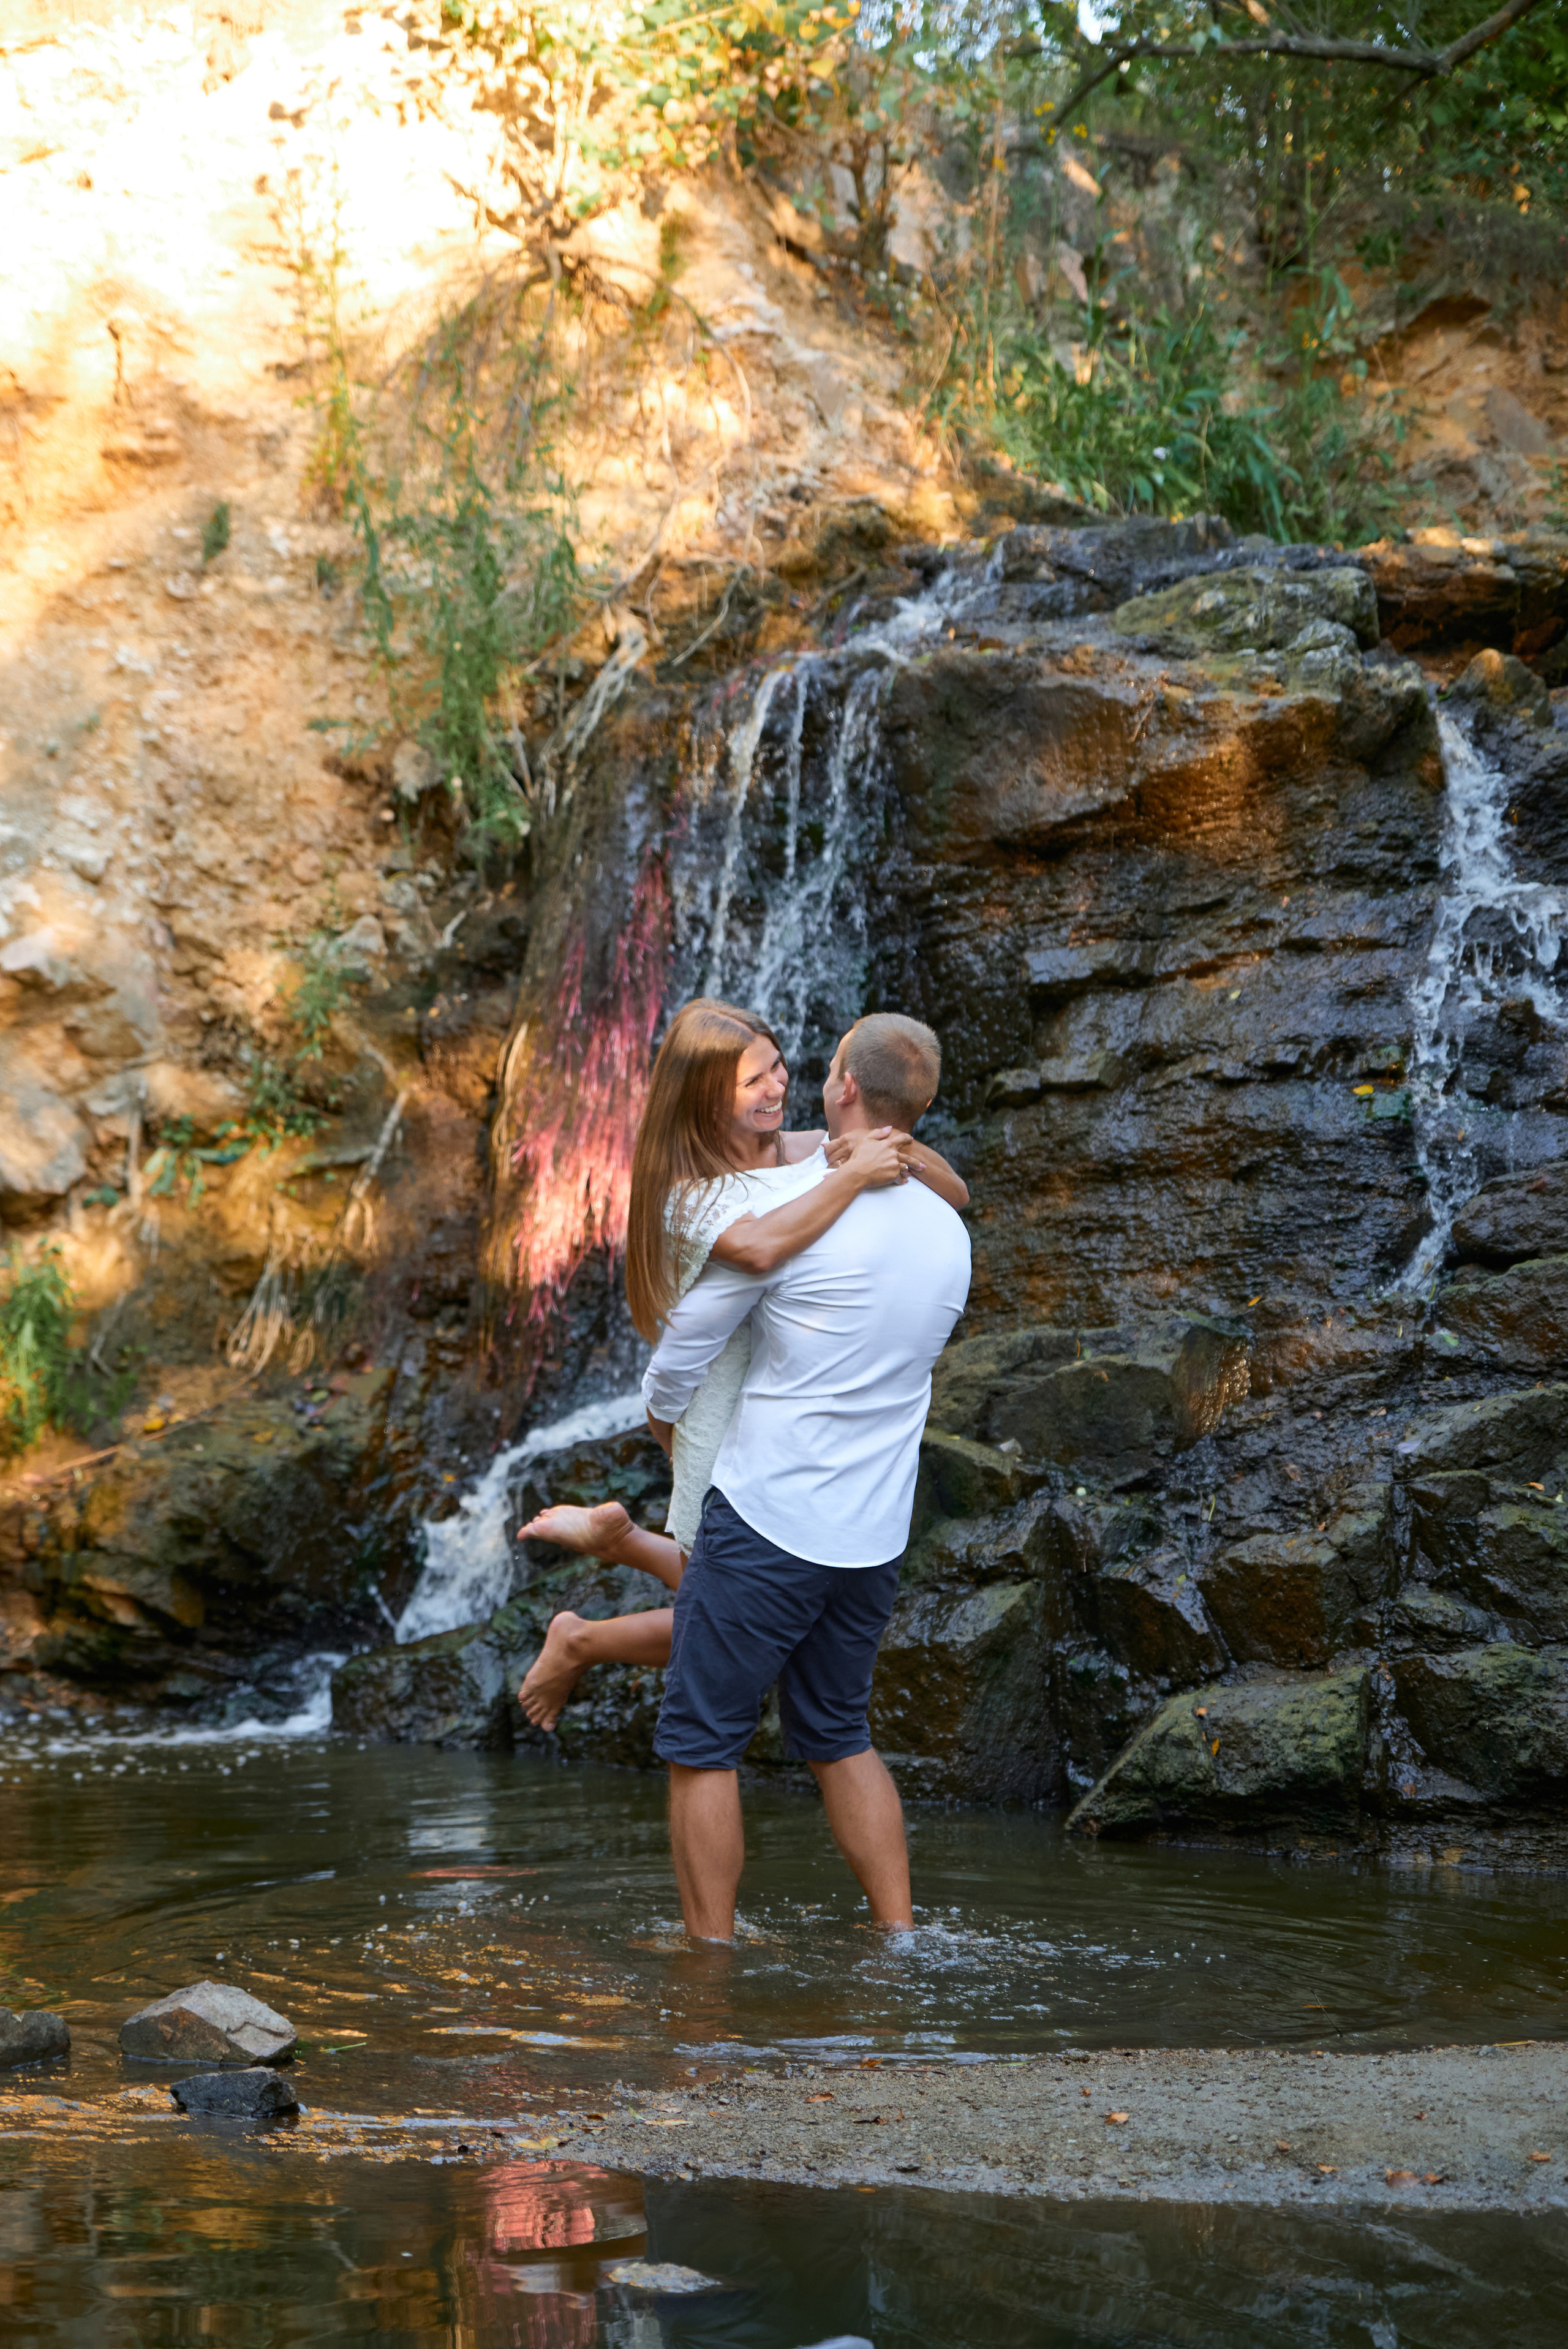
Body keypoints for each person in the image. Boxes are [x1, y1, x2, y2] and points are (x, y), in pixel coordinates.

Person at [514, 999, 967, 1729]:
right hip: (723, 1411)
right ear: (705, 1098)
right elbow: (759, 1250)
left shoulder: (797, 1150)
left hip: (786, 1392)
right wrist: (853, 1175)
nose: (777, 1086)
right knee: (719, 1616)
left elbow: (952, 1189)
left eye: (779, 1066)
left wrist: (900, 1150)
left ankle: (605, 1576)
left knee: (724, 1612)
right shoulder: (686, 1196)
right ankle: (587, 1622)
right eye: (753, 1080)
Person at [643, 1012, 971, 1940]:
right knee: (838, 1732)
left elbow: (684, 1351)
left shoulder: (795, 1224)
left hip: (772, 1514)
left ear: (842, 1083)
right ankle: (899, 1934)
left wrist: (664, 1418)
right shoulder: (947, 1231)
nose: (787, 1082)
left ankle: (708, 1952)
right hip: (873, 1535)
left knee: (703, 1743)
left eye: (800, 1067)